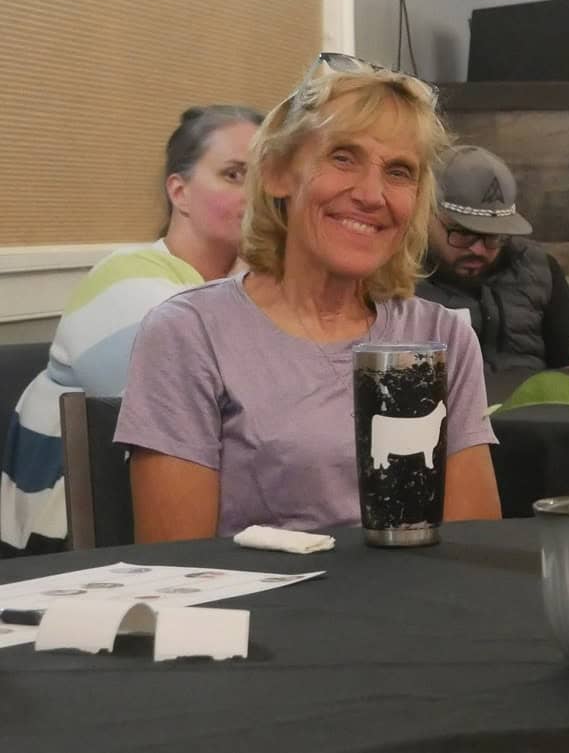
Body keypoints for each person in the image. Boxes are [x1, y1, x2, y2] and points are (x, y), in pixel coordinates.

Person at [116, 54, 502, 542]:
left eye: (399, 172)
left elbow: (473, 548)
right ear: (277, 172)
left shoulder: (441, 338)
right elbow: (178, 565)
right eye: (343, 157)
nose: (372, 194)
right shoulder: (189, 333)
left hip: (417, 591)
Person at [0, 105, 260, 556]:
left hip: (187, 534)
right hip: (68, 550)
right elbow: (239, 405)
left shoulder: (245, 287)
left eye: (267, 177)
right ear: (179, 191)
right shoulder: (124, 278)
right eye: (234, 175)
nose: (257, 195)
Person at [415, 145, 569, 373]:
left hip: (531, 395)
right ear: (426, 212)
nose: (479, 249)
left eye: (494, 236)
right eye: (462, 233)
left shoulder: (541, 270)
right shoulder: (396, 277)